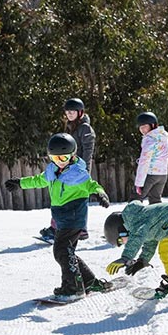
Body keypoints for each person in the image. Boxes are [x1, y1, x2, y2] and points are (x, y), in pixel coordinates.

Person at [5, 133, 111, 301]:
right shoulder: (52, 170)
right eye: (54, 157)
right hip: (62, 218)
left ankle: (73, 288)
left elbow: (92, 185)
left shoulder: (78, 173)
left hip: (74, 217)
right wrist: (20, 183)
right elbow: (39, 180)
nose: (59, 160)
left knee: (61, 251)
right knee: (67, 252)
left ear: (73, 154)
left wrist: (100, 194)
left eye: (64, 156)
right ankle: (89, 281)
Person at [40, 98, 97, 241]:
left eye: (73, 111)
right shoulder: (70, 126)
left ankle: (78, 230)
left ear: (80, 112)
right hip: (66, 166)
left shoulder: (85, 128)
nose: (70, 114)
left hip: (78, 168)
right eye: (67, 111)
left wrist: (84, 170)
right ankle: (57, 227)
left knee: (77, 199)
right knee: (61, 196)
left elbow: (88, 150)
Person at [133, 111, 168, 204]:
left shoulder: (150, 139)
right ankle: (158, 218)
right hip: (162, 174)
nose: (142, 130)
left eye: (144, 127)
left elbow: (144, 161)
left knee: (135, 201)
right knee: (155, 201)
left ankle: (129, 219)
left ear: (152, 125)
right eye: (140, 127)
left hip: (150, 174)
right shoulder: (163, 136)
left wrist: (139, 183)